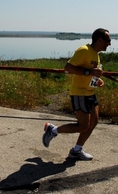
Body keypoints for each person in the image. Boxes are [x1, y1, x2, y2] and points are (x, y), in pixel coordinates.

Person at [42, 28, 111, 160]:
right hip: (80, 94)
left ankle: (76, 150)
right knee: (83, 126)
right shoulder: (84, 50)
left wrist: (96, 79)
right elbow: (68, 68)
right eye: (108, 40)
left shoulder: (95, 54)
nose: (109, 44)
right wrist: (89, 73)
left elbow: (89, 72)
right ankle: (53, 130)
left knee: (94, 122)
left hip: (90, 93)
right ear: (100, 40)